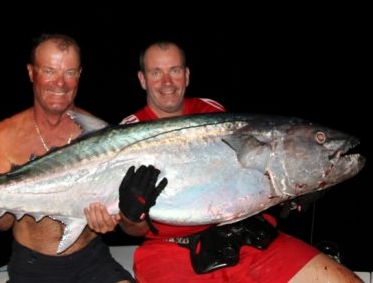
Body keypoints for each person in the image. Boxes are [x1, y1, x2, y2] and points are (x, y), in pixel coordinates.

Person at [85, 41, 361, 282]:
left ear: (187, 75)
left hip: (242, 241)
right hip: (168, 252)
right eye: (156, 72)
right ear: (142, 79)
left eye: (175, 70)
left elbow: (238, 185)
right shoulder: (126, 131)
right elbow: (132, 229)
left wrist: (293, 192)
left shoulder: (211, 111)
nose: (167, 82)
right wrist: (132, 215)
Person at [0, 34, 134, 283]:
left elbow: (120, 209)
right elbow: (2, 220)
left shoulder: (101, 134)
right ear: (31, 72)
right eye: (49, 70)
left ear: (79, 75)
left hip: (91, 260)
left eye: (70, 73)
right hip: (33, 267)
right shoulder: (6, 134)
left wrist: (111, 220)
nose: (60, 83)